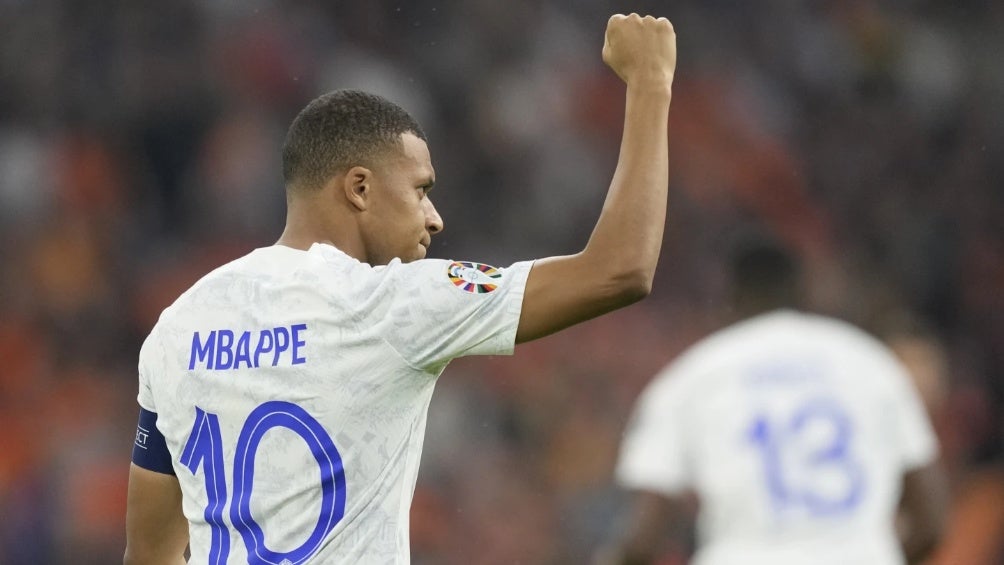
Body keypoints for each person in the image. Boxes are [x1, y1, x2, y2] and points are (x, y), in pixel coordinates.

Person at [123, 13, 677, 565]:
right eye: (420, 190)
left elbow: (149, 555)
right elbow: (619, 270)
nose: (434, 219)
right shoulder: (388, 303)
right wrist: (651, 82)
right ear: (360, 188)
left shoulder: (177, 326)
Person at [597, 238, 949, 565]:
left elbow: (644, 539)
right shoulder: (870, 363)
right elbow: (930, 522)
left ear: (728, 299)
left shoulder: (690, 378)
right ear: (804, 293)